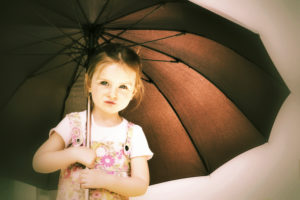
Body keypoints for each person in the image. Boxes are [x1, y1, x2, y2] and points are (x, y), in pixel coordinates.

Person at [32, 43, 153, 200]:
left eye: (123, 86)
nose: (112, 94)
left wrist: (106, 180)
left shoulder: (133, 133)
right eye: (104, 83)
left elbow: (140, 185)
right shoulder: (73, 123)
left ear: (133, 92)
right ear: (89, 83)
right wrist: (73, 153)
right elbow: (39, 162)